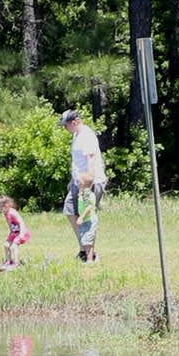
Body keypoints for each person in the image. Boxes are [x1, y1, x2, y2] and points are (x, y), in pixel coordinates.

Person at [60, 109, 107, 261]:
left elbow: (90, 160)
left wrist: (87, 185)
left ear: (74, 122)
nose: (64, 129)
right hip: (77, 182)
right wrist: (72, 181)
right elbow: (77, 162)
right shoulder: (76, 135)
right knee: (69, 210)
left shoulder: (86, 135)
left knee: (87, 217)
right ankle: (83, 248)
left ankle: (90, 254)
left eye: (65, 125)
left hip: (89, 182)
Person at [0, 195, 31, 269]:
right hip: (14, 232)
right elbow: (10, 224)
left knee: (14, 246)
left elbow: (21, 222)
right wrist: (11, 233)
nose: (0, 209)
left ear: (7, 205)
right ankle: (8, 261)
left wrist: (21, 233)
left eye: (1, 207)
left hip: (21, 231)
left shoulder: (12, 212)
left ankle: (16, 264)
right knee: (6, 245)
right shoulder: (5, 213)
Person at [75, 172, 100, 263]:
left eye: (79, 181)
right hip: (86, 220)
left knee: (88, 241)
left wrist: (81, 217)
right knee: (85, 240)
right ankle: (92, 257)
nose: (78, 182)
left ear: (83, 183)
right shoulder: (84, 192)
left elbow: (89, 207)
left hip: (89, 220)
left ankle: (90, 260)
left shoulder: (86, 194)